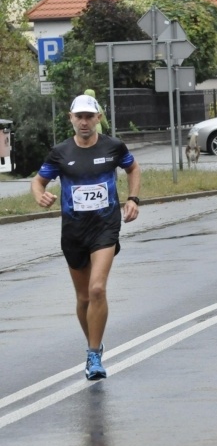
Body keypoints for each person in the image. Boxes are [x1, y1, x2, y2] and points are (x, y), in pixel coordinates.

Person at [31, 94, 141, 380]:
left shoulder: (113, 147)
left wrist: (133, 199)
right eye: (78, 116)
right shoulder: (60, 152)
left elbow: (133, 168)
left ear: (98, 118)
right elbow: (38, 180)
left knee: (97, 289)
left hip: (105, 226)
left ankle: (94, 354)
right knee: (82, 298)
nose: (84, 121)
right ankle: (93, 342)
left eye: (89, 116)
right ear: (70, 119)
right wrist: (39, 195)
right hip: (74, 229)